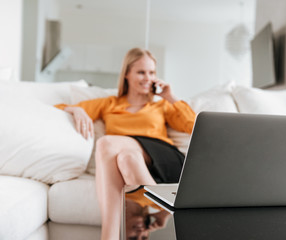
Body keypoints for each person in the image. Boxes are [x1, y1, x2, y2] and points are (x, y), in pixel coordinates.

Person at [55, 47, 195, 240]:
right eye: (141, 72)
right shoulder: (109, 104)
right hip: (136, 167)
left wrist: (170, 97)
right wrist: (76, 110)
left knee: (106, 144)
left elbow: (194, 126)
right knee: (126, 158)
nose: (148, 78)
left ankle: (108, 237)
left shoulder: (160, 105)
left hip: (163, 159)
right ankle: (163, 206)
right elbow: (58, 108)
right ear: (127, 74)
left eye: (152, 72)